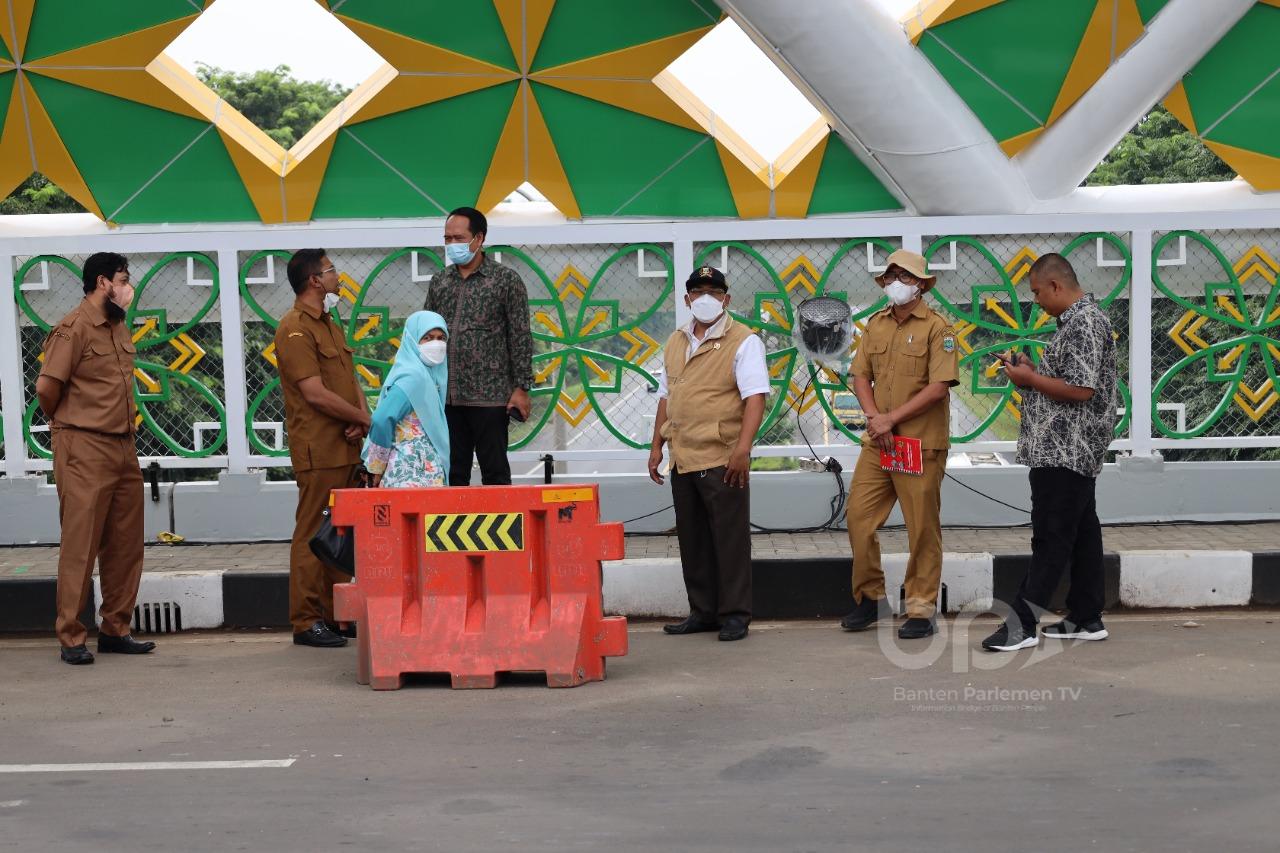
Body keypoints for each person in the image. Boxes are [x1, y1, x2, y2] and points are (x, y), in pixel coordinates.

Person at [982, 253, 1118, 652]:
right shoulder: (1077, 323)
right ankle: (1086, 616)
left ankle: (1021, 626)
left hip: (1066, 449)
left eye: (1038, 292)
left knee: (1051, 537)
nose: (1036, 300)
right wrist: (1031, 374)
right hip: (1067, 447)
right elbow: (1066, 382)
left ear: (1056, 285)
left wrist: (1030, 378)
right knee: (1082, 534)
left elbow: (1081, 390)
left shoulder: (1085, 322)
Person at [35, 252, 155, 665]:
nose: (127, 287)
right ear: (103, 282)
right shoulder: (73, 329)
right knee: (81, 543)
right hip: (83, 444)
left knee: (125, 542)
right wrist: (69, 424)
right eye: (123, 279)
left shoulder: (118, 326)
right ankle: (71, 635)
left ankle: (115, 629)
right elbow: (47, 388)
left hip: (122, 444)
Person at [842, 249, 959, 640]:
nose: (896, 282)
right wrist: (876, 419)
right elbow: (861, 376)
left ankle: (921, 609)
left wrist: (891, 420)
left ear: (921, 285)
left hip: (919, 445)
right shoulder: (875, 325)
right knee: (858, 518)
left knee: (921, 528)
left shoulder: (938, 329)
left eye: (905, 276)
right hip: (880, 443)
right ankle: (870, 598)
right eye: (891, 276)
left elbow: (939, 387)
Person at [648, 266, 769, 642]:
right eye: (698, 292)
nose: (705, 298)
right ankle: (702, 611)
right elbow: (666, 396)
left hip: (722, 456)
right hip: (683, 455)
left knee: (729, 540)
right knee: (693, 539)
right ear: (687, 299)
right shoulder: (675, 341)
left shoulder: (744, 341)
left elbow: (755, 398)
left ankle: (734, 615)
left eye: (714, 292)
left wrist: (743, 449)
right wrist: (656, 446)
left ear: (726, 299)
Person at [275, 249, 371, 648]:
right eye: (331, 270)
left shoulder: (329, 323)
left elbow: (348, 380)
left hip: (345, 444)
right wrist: (362, 418)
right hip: (319, 448)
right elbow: (314, 392)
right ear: (315, 280)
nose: (337, 276)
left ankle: (337, 615)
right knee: (313, 532)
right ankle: (306, 620)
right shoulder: (294, 329)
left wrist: (360, 417)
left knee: (340, 531)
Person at [423, 207, 533, 486]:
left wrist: (521, 388)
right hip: (447, 397)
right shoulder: (439, 281)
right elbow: (425, 332)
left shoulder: (505, 280)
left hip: (491, 398)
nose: (452, 244)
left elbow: (520, 335)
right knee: (450, 473)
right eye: (447, 238)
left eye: (459, 238)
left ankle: (499, 516)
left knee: (494, 473)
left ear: (479, 238)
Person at [362, 311, 451, 488]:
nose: (436, 344)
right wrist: (376, 468)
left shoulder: (429, 376)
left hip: (421, 474)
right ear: (412, 340)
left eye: (441, 338)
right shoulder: (413, 377)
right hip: (409, 476)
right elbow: (381, 419)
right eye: (427, 338)